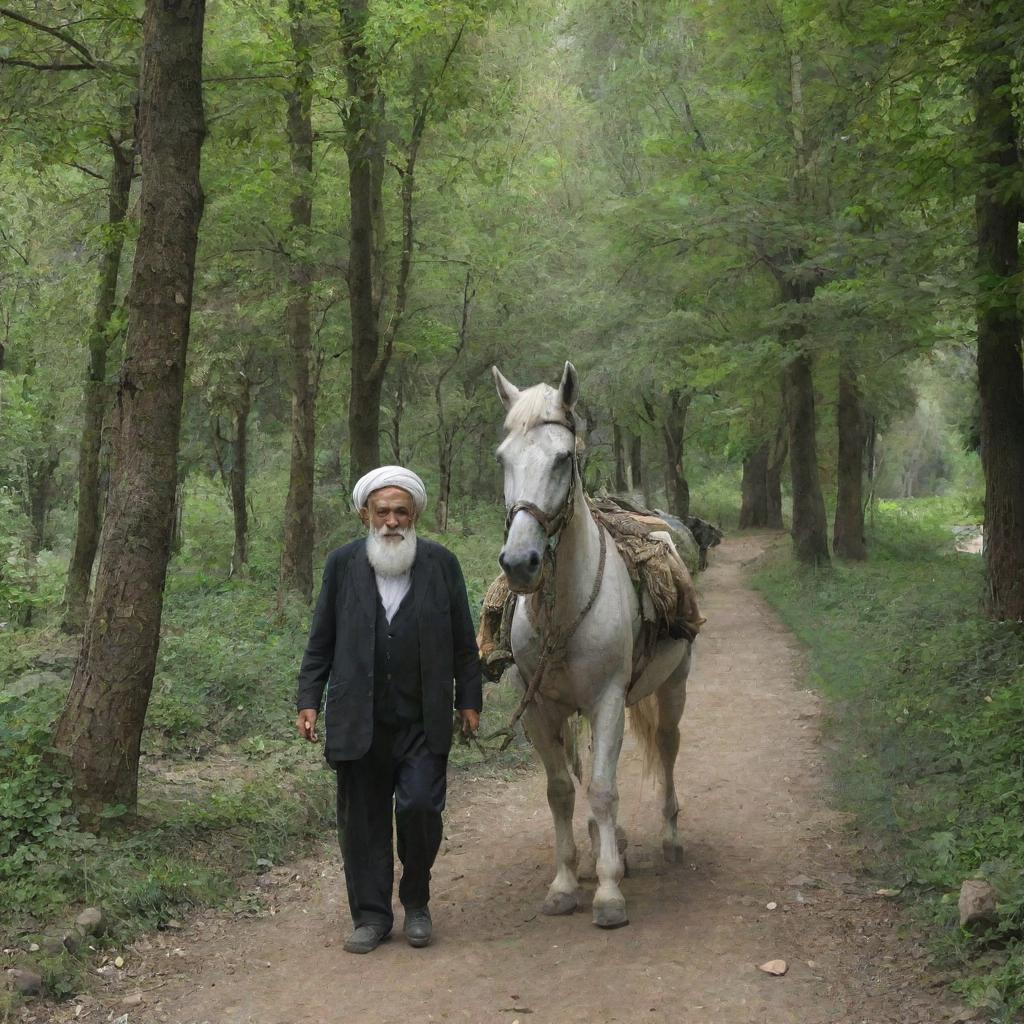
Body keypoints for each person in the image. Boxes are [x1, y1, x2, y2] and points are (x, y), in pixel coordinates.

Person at [295, 466, 482, 954]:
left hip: (423, 721)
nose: (392, 521)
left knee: (421, 808)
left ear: (414, 513)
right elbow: (321, 641)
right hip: (359, 720)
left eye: (401, 511)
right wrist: (309, 699)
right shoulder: (342, 565)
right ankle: (372, 917)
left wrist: (469, 699)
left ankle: (416, 902)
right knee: (362, 822)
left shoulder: (441, 563)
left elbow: (465, 641)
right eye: (383, 512)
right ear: (365, 515)